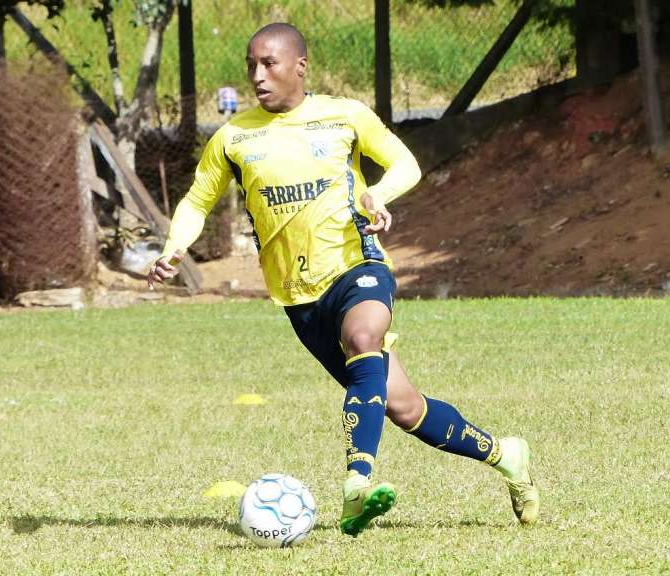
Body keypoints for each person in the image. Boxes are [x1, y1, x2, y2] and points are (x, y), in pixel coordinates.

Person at [149, 22, 539, 537]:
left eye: (269, 64)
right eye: (251, 66)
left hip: (357, 267)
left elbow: (405, 164)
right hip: (299, 298)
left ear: (299, 66)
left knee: (363, 336)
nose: (258, 76)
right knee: (404, 407)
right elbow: (198, 202)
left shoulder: (343, 117)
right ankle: (506, 455)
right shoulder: (233, 137)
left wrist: (378, 195)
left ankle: (357, 482)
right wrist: (175, 247)